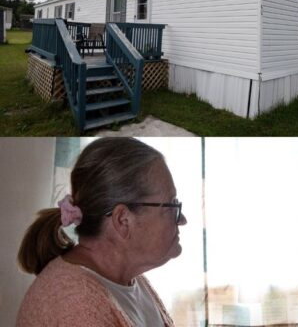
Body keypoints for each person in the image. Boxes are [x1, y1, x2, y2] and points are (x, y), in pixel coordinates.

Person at [16, 137, 186, 326]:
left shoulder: (129, 281)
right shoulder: (76, 305)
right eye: (171, 205)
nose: (182, 219)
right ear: (123, 220)